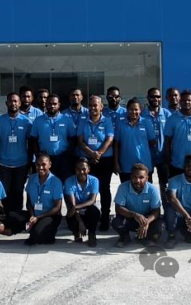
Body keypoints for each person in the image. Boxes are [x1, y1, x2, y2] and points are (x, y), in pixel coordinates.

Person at [76, 95, 115, 231]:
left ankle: (105, 217)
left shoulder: (107, 121)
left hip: (105, 160)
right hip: (87, 160)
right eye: (91, 105)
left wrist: (99, 153)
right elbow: (80, 141)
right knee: (87, 189)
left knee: (104, 189)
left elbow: (109, 139)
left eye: (95, 105)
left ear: (101, 107)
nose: (93, 108)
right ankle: (87, 217)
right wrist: (91, 153)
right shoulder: (83, 121)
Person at [0, 92, 32, 213]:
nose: (13, 103)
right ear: (6, 103)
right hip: (3, 163)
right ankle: (6, 216)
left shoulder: (26, 122)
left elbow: (30, 142)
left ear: (20, 103)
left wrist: (29, 162)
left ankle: (17, 217)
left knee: (18, 191)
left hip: (21, 164)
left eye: (15, 101)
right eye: (10, 101)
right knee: (4, 192)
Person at [112, 162, 163, 247]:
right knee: (116, 222)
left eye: (141, 177)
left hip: (146, 218)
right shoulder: (123, 187)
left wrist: (146, 222)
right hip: (130, 217)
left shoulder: (153, 189)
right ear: (131, 177)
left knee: (160, 227)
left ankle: (144, 237)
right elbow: (118, 208)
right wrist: (135, 215)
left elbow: (156, 211)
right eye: (134, 177)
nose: (137, 180)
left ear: (147, 178)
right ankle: (125, 237)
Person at [30, 93, 75, 182]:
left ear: (59, 105)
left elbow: (73, 138)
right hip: (45, 159)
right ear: (46, 104)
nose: (52, 106)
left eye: (54, 104)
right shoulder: (38, 120)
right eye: (49, 103)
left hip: (63, 158)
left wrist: (68, 154)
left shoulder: (66, 119)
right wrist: (38, 154)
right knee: (46, 183)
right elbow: (33, 139)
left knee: (64, 184)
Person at [23, 153, 64, 246]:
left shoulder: (56, 182)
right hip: (34, 214)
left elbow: (57, 207)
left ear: (50, 164)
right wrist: (32, 215)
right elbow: (28, 202)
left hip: (50, 216)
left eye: (43, 164)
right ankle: (36, 230)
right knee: (14, 217)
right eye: (38, 165)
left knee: (36, 237)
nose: (40, 167)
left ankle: (49, 233)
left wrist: (38, 217)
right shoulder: (31, 178)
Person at [114, 98, 155, 182]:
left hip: (144, 165)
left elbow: (152, 142)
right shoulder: (120, 124)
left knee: (146, 189)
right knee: (127, 189)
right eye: (131, 109)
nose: (133, 112)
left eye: (136, 109)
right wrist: (116, 163)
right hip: (126, 166)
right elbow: (116, 145)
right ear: (127, 110)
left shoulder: (146, 123)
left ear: (140, 110)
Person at [63, 157, 101, 246]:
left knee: (94, 211)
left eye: (84, 169)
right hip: (75, 212)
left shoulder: (94, 180)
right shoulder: (69, 181)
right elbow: (72, 205)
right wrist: (80, 222)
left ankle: (92, 234)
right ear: (75, 170)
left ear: (88, 169)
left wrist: (76, 207)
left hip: (87, 209)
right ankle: (76, 234)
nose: (81, 172)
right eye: (78, 169)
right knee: (70, 215)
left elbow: (92, 200)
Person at [146, 88, 171, 186]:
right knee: (147, 185)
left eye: (158, 96)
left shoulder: (167, 114)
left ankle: (164, 198)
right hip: (147, 156)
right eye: (153, 96)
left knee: (165, 185)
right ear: (148, 97)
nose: (156, 99)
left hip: (164, 156)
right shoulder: (142, 114)